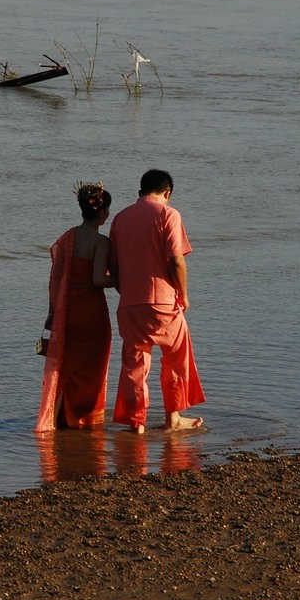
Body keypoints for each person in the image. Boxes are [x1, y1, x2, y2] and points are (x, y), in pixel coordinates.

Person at [108, 169, 205, 433]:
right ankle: (172, 419)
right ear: (167, 193)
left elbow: (114, 269)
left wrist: (128, 293)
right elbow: (176, 259)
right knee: (176, 357)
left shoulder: (120, 218)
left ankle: (135, 422)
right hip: (163, 302)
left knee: (134, 363)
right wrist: (183, 295)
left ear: (140, 192)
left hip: (130, 303)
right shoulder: (168, 214)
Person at [35, 182, 120, 433]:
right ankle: (81, 418)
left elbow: (56, 277)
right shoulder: (101, 242)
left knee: (65, 366)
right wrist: (121, 278)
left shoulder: (68, 237)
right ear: (102, 212)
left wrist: (52, 312)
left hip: (68, 311)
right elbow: (98, 280)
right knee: (92, 367)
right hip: (92, 312)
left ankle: (55, 419)